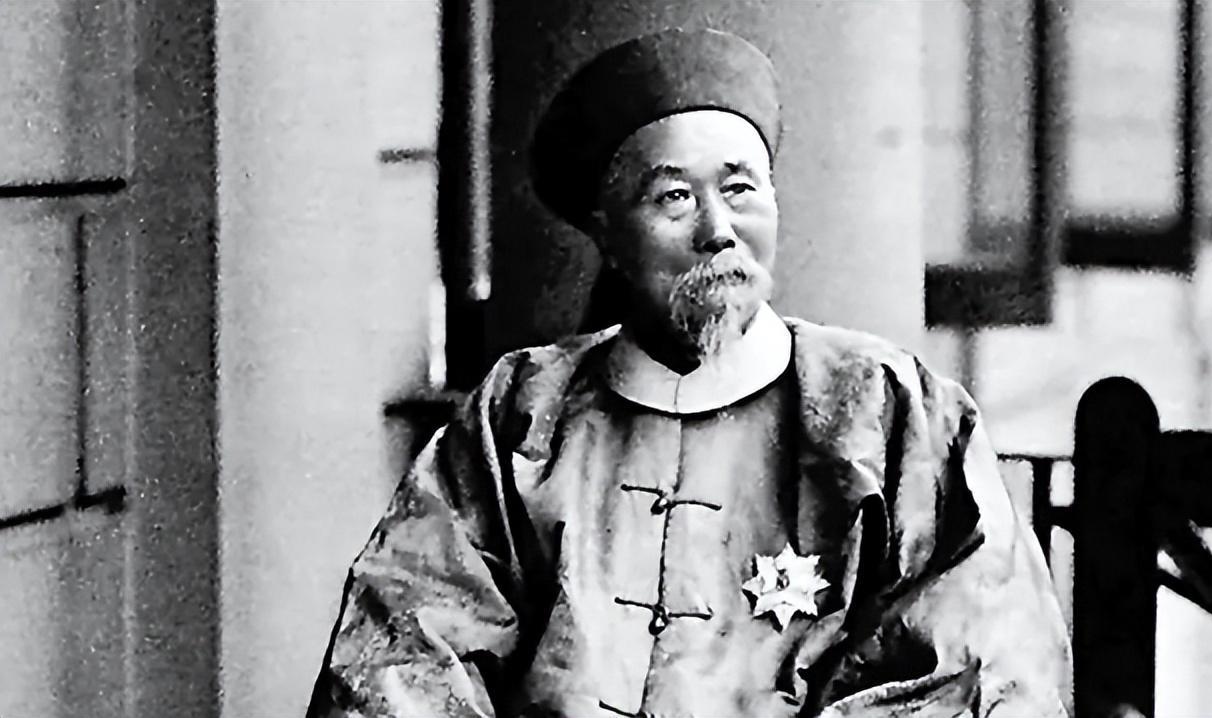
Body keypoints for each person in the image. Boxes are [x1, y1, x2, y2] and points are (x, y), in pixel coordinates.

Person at [308, 28, 1071, 718]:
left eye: (741, 189)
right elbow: (405, 647)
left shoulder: (890, 412)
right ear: (609, 235)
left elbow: (975, 661)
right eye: (673, 198)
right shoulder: (521, 414)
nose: (718, 230)